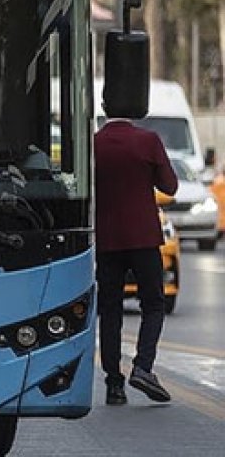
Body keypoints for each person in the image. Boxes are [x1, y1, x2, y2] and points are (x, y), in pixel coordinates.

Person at [95, 104, 178, 406]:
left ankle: (113, 383)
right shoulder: (148, 141)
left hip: (106, 241)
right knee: (154, 304)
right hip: (143, 238)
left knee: (111, 309)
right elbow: (170, 185)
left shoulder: (93, 144)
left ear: (104, 108)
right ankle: (143, 367)